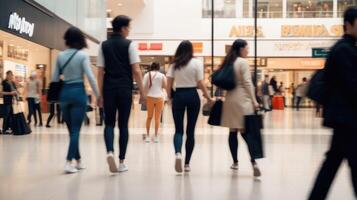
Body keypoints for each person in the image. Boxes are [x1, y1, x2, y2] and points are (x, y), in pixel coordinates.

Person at [308, 7, 357, 199]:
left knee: (334, 161)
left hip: (344, 117)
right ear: (348, 24)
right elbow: (352, 85)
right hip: (347, 118)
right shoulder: (345, 49)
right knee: (342, 161)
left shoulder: (346, 47)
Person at [97, 15, 145, 173]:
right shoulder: (130, 45)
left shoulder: (103, 45)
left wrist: (99, 94)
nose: (129, 30)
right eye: (129, 27)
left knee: (109, 123)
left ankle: (109, 151)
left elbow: (100, 72)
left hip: (108, 89)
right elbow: (136, 70)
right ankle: (122, 161)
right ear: (123, 28)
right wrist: (143, 93)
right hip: (124, 89)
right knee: (123, 125)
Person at [52, 26, 99, 174]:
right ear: (80, 40)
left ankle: (78, 161)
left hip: (64, 94)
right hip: (79, 93)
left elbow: (54, 78)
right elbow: (90, 77)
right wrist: (98, 95)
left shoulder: (60, 56)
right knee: (76, 131)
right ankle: (68, 162)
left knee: (72, 131)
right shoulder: (82, 56)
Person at [167, 40, 214, 173]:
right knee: (190, 131)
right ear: (191, 50)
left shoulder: (174, 64)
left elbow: (169, 83)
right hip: (193, 95)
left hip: (179, 96)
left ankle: (177, 154)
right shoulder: (197, 63)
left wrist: (170, 97)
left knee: (178, 130)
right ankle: (187, 164)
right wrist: (209, 97)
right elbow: (200, 83)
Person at [219, 39, 261, 177]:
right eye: (247, 48)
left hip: (230, 100)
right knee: (246, 133)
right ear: (241, 48)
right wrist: (254, 100)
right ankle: (254, 162)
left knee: (233, 132)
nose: (248, 51)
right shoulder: (243, 62)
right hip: (243, 101)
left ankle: (235, 162)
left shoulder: (228, 61)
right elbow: (248, 83)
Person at [143, 62, 167, 143]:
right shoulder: (162, 75)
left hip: (150, 97)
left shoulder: (147, 75)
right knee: (157, 118)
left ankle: (148, 136)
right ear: (158, 67)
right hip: (160, 98)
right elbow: (165, 86)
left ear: (151, 67)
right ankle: (156, 136)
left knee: (149, 117)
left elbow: (144, 86)